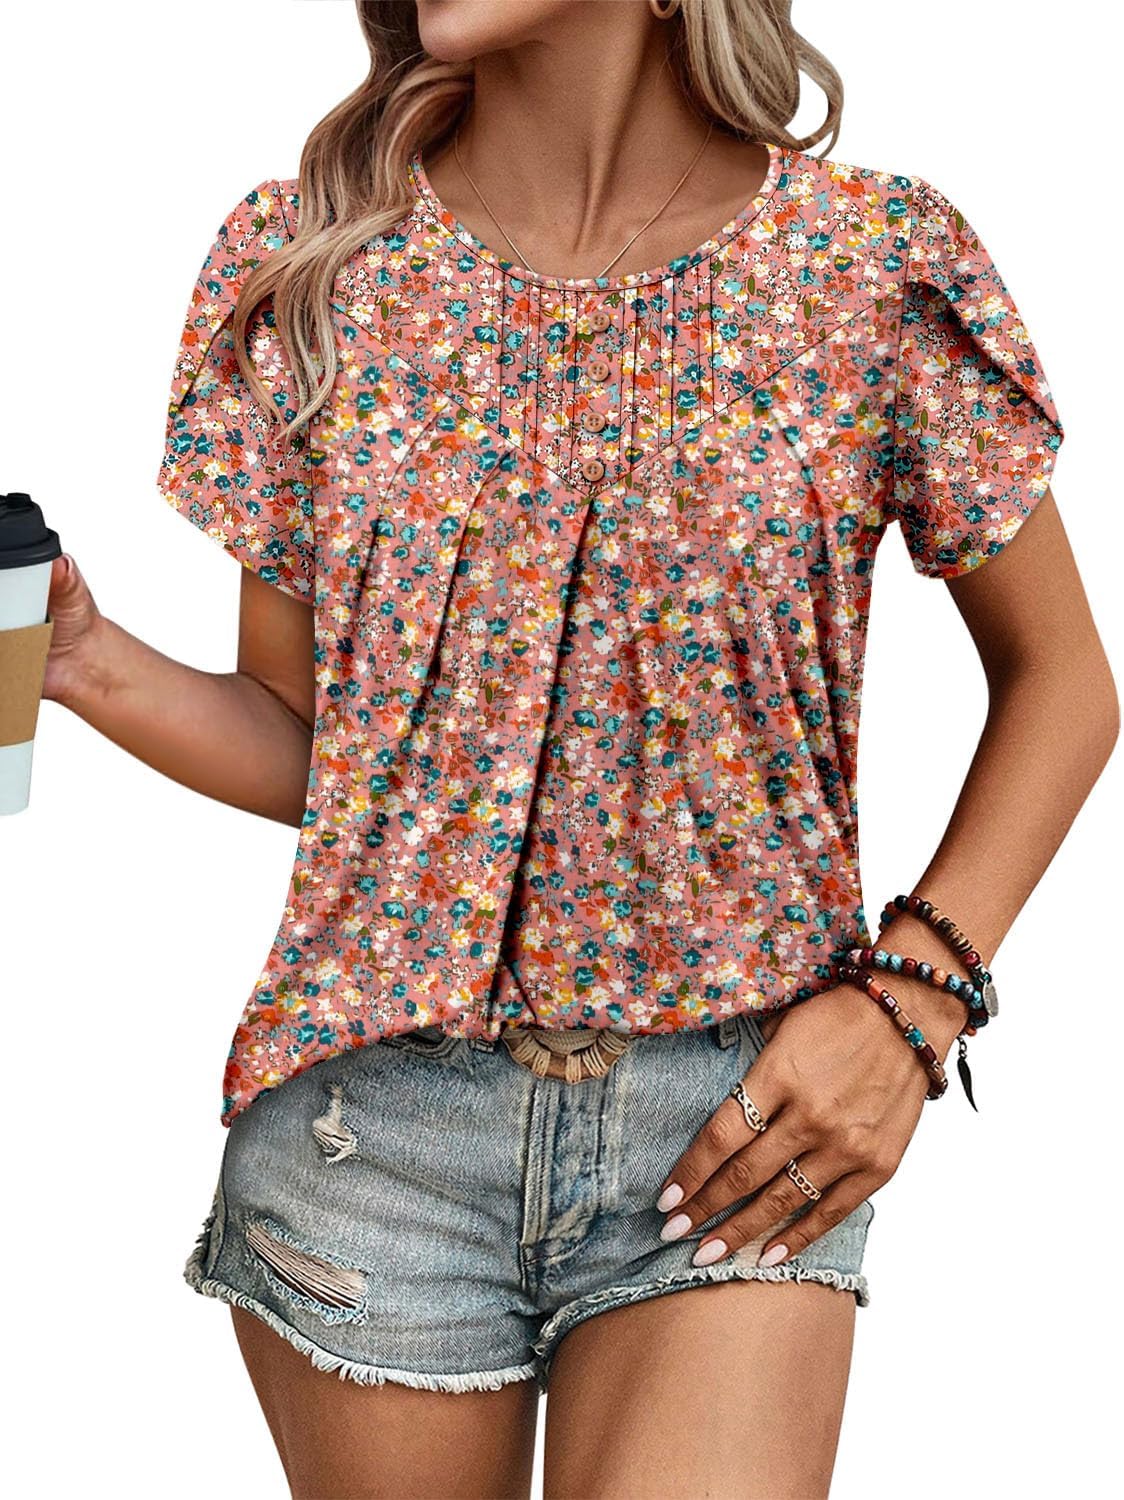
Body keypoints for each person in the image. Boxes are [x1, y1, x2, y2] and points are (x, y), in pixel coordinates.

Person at [41, 2, 1117, 1496]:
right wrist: (83, 663)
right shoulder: (313, 265)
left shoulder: (868, 263)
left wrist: (913, 1003)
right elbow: (328, 757)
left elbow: (1064, 683)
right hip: (372, 1141)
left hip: (735, 1125)